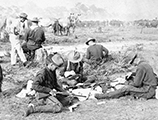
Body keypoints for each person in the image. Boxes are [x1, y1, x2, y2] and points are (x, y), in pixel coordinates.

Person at [25, 53, 77, 117]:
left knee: (68, 100)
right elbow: (35, 86)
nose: (56, 69)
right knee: (58, 107)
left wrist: (65, 92)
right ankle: (33, 108)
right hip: (44, 94)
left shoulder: (52, 71)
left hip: (50, 93)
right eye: (56, 67)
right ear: (51, 64)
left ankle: (45, 103)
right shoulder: (42, 73)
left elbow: (55, 85)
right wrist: (49, 90)